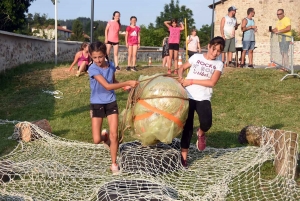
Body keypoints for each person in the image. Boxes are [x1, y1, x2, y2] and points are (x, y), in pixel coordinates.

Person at [88, 41, 139, 174]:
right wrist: (127, 81)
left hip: (111, 102)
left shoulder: (111, 65)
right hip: (97, 103)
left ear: (105, 53)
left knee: (114, 135)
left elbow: (112, 81)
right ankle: (104, 138)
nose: (98, 60)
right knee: (96, 139)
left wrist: (124, 87)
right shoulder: (92, 69)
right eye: (95, 57)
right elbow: (107, 86)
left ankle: (114, 164)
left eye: (100, 56)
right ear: (90, 56)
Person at [177, 36, 225, 168]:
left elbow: (212, 82)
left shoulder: (219, 64)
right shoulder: (196, 57)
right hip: (188, 95)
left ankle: (201, 133)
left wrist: (191, 81)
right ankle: (184, 158)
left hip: (203, 97)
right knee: (187, 127)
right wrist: (181, 77)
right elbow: (181, 68)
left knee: (207, 122)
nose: (215, 53)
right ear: (208, 46)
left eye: (218, 51)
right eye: (213, 49)